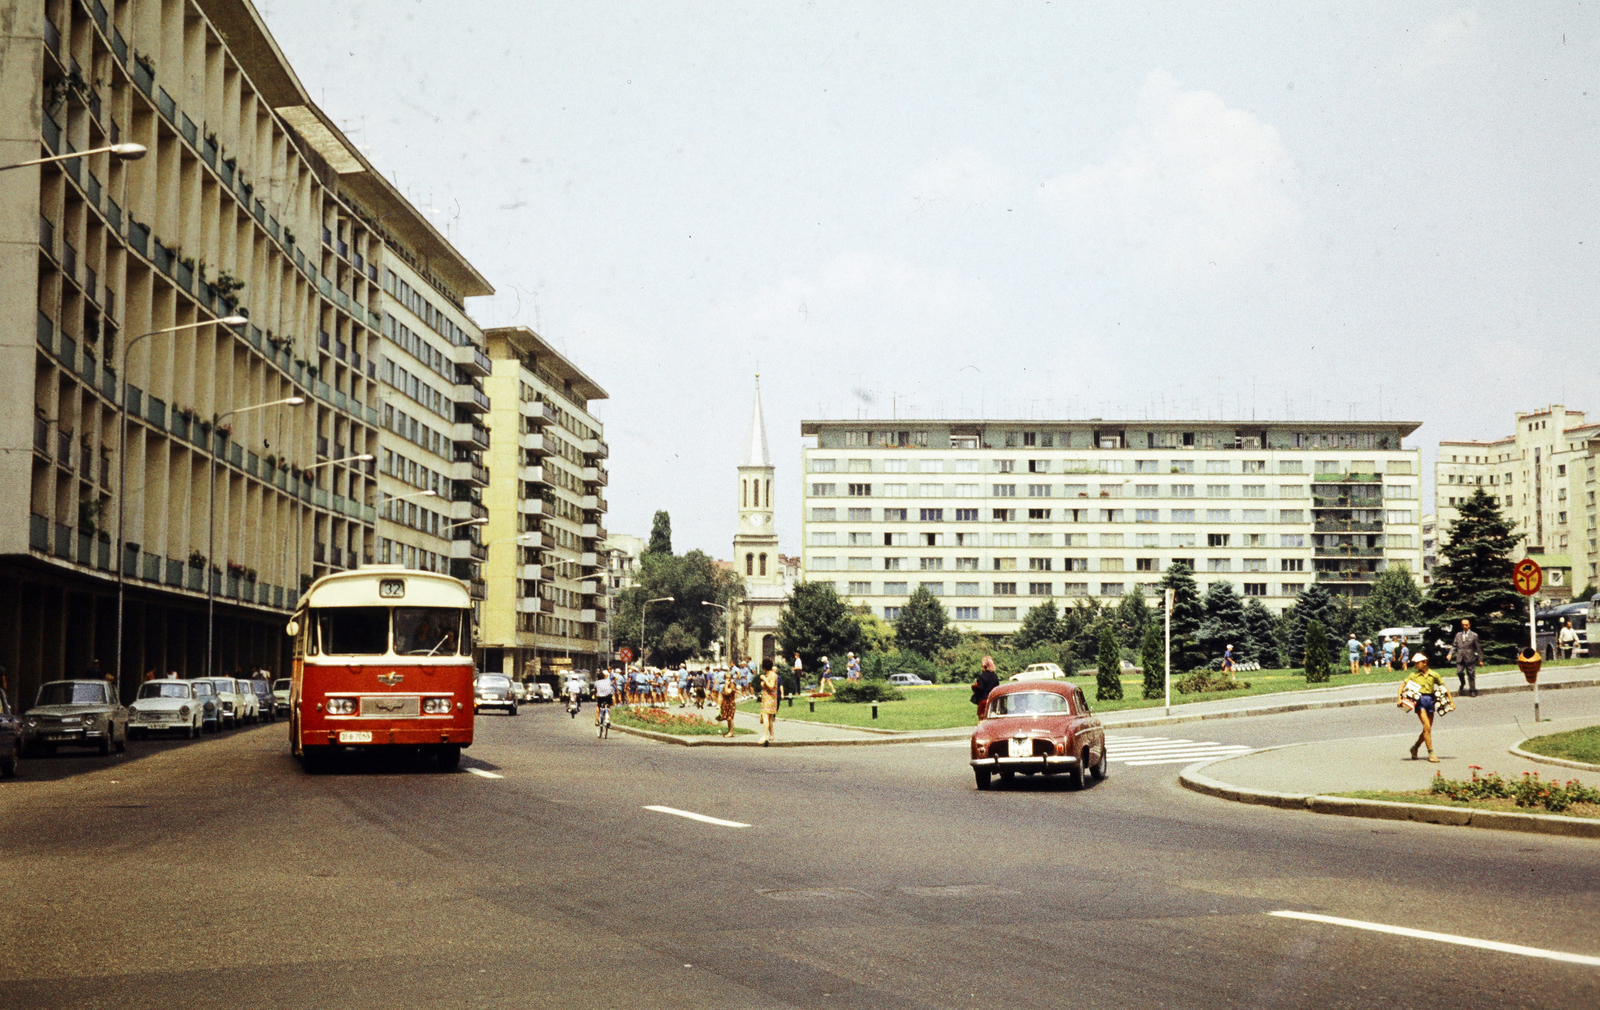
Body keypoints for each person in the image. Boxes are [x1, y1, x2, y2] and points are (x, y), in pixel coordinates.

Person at [1397, 653, 1450, 763]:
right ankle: (1431, 753)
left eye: (1417, 663)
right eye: (1415, 663)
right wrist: (1399, 698)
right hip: (1419, 701)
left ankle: (1415, 747)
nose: (1416, 665)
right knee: (1426, 726)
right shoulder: (1414, 675)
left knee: (1428, 728)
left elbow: (1443, 687)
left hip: (1430, 701)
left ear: (1424, 663)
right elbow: (1402, 686)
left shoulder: (1433, 674)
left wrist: (1451, 702)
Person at [1453, 618, 1483, 697]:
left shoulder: (1474, 635)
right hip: (1460, 658)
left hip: (1470, 658)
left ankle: (1472, 690)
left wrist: (1480, 660)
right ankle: (1463, 682)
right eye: (1463, 625)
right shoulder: (1458, 635)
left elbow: (1478, 648)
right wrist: (1450, 654)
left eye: (1466, 625)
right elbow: (1454, 646)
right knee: (1459, 672)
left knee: (1471, 674)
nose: (1465, 626)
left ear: (1469, 625)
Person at [758, 657, 782, 745]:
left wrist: (764, 679)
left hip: (769, 699)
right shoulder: (770, 675)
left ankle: (765, 735)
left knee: (765, 717)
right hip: (768, 698)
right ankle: (771, 734)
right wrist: (763, 682)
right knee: (769, 718)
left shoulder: (771, 675)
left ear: (764, 668)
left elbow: (771, 686)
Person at [970, 655, 1000, 720]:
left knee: (981, 719)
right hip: (993, 700)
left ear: (984, 666)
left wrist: (974, 687)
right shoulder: (995, 676)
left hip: (983, 700)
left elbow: (981, 688)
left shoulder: (982, 676)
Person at [717, 663, 740, 737]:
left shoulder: (732, 685)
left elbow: (728, 692)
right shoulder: (724, 685)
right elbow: (722, 694)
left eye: (729, 679)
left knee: (730, 718)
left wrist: (727, 685)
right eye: (726, 678)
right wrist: (719, 704)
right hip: (725, 703)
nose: (727, 680)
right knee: (727, 718)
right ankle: (729, 730)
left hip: (730, 703)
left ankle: (731, 732)